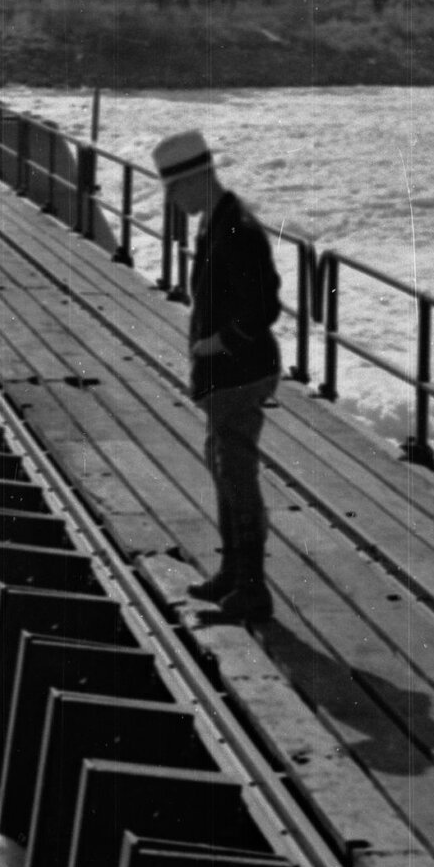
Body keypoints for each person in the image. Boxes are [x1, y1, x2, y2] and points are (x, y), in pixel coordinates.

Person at [151, 128, 282, 625]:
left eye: (177, 190)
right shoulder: (218, 220)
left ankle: (252, 590)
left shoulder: (236, 228)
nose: (173, 201)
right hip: (225, 376)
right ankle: (233, 573)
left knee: (237, 475)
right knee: (224, 467)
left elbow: (264, 304)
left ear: (199, 179)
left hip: (240, 373)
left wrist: (221, 341)